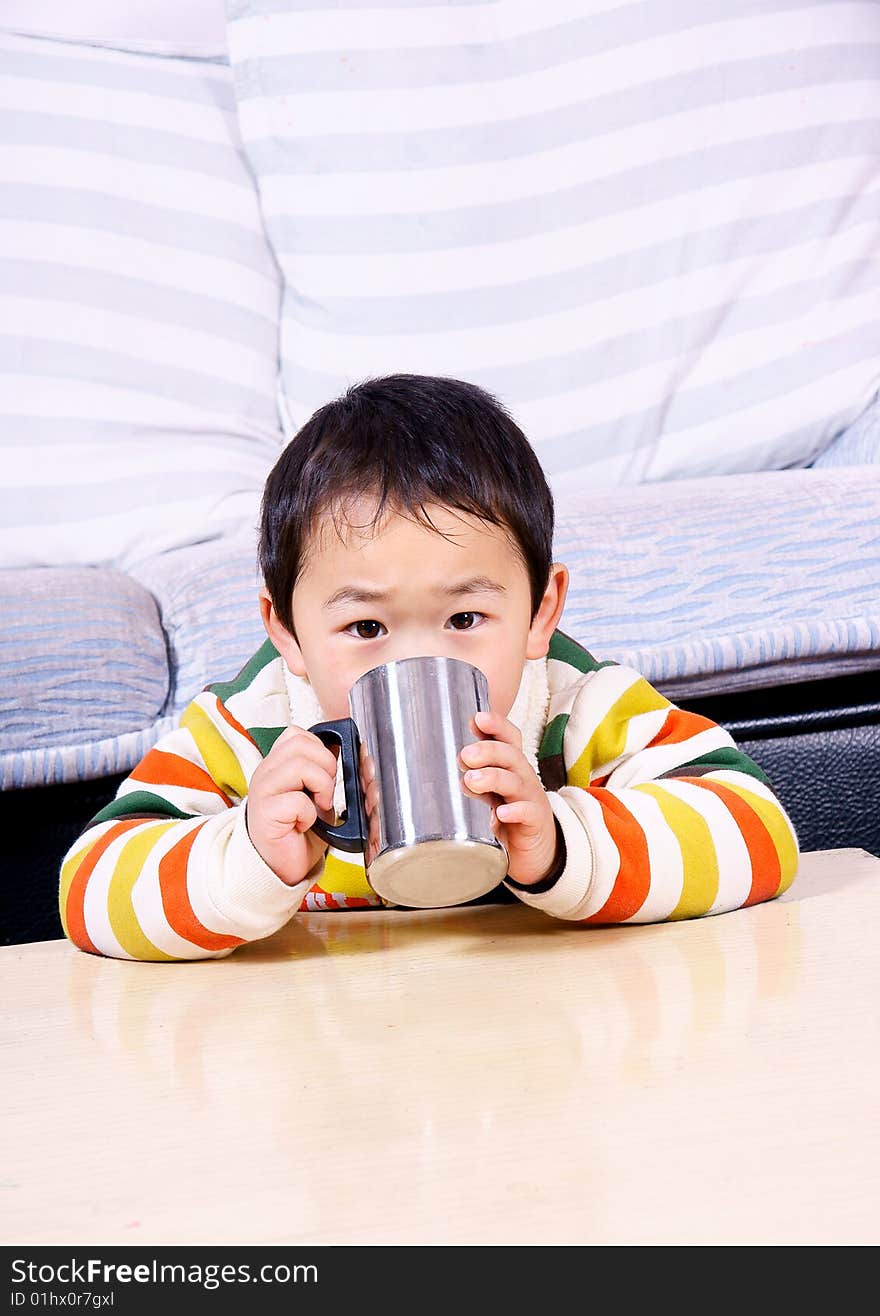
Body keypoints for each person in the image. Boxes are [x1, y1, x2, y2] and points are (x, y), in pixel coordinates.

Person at [60, 374, 799, 960]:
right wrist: (248, 854)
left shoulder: (577, 706)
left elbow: (760, 829)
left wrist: (560, 840)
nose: (420, 658)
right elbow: (89, 889)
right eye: (366, 626)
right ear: (286, 630)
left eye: (466, 619)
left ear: (542, 611)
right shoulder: (247, 729)